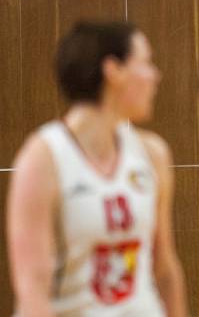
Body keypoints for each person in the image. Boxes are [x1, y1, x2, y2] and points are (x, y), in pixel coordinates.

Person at [6, 21, 188, 316]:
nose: (155, 75)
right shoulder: (43, 158)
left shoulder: (152, 154)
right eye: (145, 62)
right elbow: (32, 290)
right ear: (113, 70)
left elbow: (165, 267)